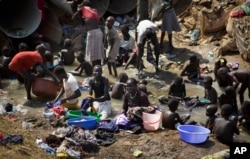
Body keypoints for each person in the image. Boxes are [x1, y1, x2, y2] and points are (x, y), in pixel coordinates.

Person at [72, 0, 105, 67]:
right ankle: (99, 68)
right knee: (97, 54)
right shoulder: (93, 12)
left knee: (93, 55)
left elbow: (73, 18)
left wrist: (78, 10)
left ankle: (95, 70)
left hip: (92, 34)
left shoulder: (88, 13)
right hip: (98, 32)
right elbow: (83, 23)